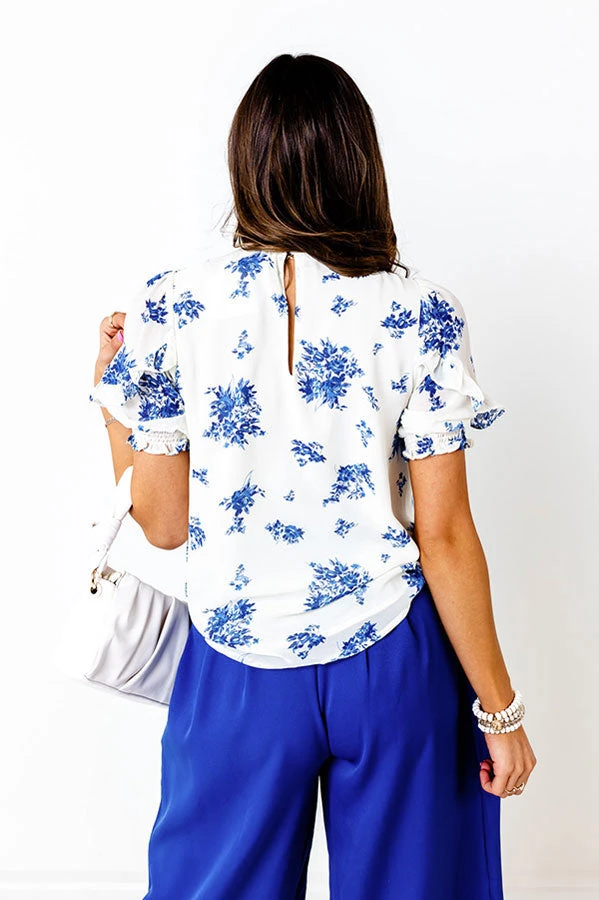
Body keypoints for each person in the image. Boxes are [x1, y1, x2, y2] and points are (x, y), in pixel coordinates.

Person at [89, 53, 536, 900]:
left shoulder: (169, 305)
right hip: (392, 657)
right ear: (358, 160)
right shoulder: (422, 313)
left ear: (246, 162)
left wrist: (114, 400)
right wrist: (499, 710)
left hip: (235, 665)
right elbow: (444, 536)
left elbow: (163, 523)